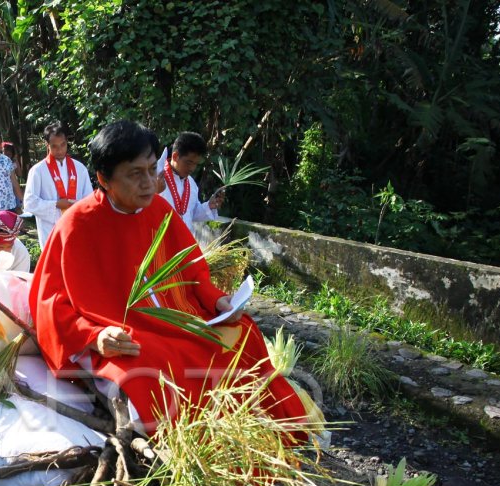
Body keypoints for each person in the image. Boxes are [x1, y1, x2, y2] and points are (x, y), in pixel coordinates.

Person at [29, 120, 307, 431]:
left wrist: (218, 302)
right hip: (120, 334)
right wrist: (93, 337)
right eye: (135, 174)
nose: (149, 182)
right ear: (104, 179)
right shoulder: (77, 225)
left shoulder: (159, 210)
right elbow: (49, 303)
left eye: (152, 170)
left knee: (242, 332)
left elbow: (194, 271)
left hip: (173, 318)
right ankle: (196, 446)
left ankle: (263, 430)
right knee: (151, 366)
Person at [23, 121, 94, 247]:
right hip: (50, 229)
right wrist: (56, 204)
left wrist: (76, 205)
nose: (60, 150)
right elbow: (29, 202)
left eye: (63, 145)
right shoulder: (38, 170)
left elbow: (89, 199)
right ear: (47, 145)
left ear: (67, 142)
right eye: (54, 146)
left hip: (76, 225)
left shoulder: (80, 168)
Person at [155, 131, 224, 233]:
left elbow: (191, 213)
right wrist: (154, 193)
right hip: (159, 243)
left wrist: (209, 206)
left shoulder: (191, 184)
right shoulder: (156, 177)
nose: (192, 168)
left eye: (196, 164)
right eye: (189, 162)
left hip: (185, 245)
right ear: (175, 156)